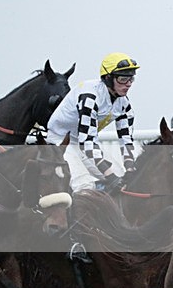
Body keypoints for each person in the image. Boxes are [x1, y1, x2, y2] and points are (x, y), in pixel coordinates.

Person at [47, 52, 139, 192]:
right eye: (122, 79)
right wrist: (109, 175)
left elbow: (126, 140)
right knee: (84, 186)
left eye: (131, 79)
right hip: (60, 142)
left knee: (122, 177)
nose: (128, 84)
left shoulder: (124, 105)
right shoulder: (89, 96)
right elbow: (87, 141)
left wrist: (130, 168)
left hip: (83, 143)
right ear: (108, 78)